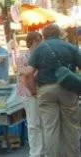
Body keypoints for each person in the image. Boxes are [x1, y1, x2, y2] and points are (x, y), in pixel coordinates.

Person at [26, 24, 81, 157]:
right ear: (58, 34)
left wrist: (34, 91)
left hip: (46, 91)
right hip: (68, 89)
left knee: (50, 128)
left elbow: (28, 74)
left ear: (44, 36)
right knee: (71, 127)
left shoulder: (39, 49)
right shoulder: (71, 47)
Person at [15, 32, 44, 157]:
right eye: (38, 41)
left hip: (41, 92)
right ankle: (36, 153)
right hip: (29, 93)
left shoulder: (41, 56)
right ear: (32, 42)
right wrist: (33, 91)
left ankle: (44, 151)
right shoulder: (23, 57)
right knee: (33, 124)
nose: (40, 43)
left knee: (42, 123)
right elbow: (24, 77)